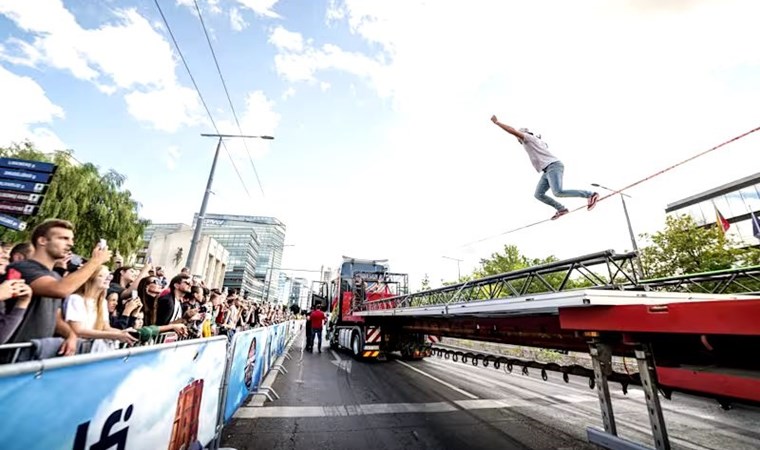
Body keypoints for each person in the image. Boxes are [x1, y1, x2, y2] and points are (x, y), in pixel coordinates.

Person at [490, 115, 599, 220]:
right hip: (547, 171)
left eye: (518, 137)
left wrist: (497, 123)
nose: (518, 141)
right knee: (538, 194)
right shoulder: (536, 141)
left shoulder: (528, 138)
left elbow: (511, 130)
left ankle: (591, 194)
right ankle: (561, 209)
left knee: (558, 192)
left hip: (553, 166)